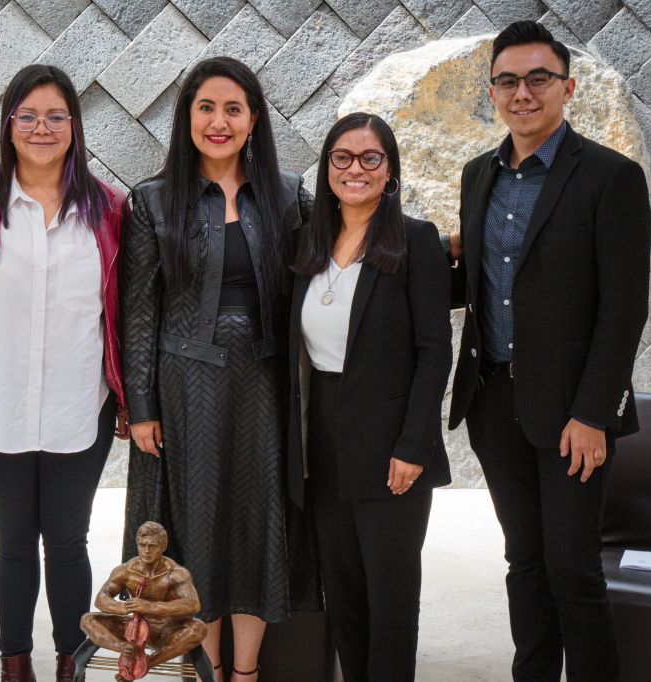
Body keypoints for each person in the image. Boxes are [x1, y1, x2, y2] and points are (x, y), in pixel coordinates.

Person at [444, 21, 651, 682]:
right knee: (524, 564)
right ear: (493, 92)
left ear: (567, 87)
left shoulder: (610, 178)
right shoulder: (479, 176)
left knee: (571, 568)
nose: (523, 93)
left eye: (538, 79)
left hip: (572, 415)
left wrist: (595, 412)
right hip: (493, 403)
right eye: (508, 80)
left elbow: (624, 309)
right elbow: (474, 282)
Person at [0, 64, 129, 682]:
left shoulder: (108, 206)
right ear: (8, 124)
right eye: (28, 116)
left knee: (68, 542)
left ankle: (73, 659)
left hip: (79, 403)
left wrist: (127, 398)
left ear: (76, 126)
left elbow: (123, 312)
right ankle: (15, 662)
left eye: (56, 116)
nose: (42, 128)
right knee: (13, 543)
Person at [122, 56, 320, 682]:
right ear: (186, 119)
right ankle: (202, 672)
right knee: (197, 528)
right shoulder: (153, 201)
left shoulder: (289, 194)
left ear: (253, 120)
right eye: (205, 107)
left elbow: (344, 251)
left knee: (260, 525)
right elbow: (138, 314)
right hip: (185, 390)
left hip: (264, 387)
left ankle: (247, 673)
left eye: (233, 109)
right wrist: (142, 406)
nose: (219, 121)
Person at [287, 113, 452, 681]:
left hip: (391, 445)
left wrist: (414, 447)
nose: (355, 168)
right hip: (324, 439)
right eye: (343, 157)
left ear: (390, 170)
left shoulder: (416, 241)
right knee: (345, 594)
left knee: (391, 600)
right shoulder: (308, 243)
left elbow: (435, 353)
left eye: (370, 158)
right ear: (327, 167)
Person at [81, 521, 207, 679]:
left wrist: (151, 606)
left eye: (152, 546)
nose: (146, 550)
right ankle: (125, 650)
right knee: (87, 620)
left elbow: (193, 604)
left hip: (166, 629)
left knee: (199, 629)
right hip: (134, 629)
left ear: (163, 546)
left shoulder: (176, 574)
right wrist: (121, 608)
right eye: (142, 545)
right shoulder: (126, 571)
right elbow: (101, 598)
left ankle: (145, 664)